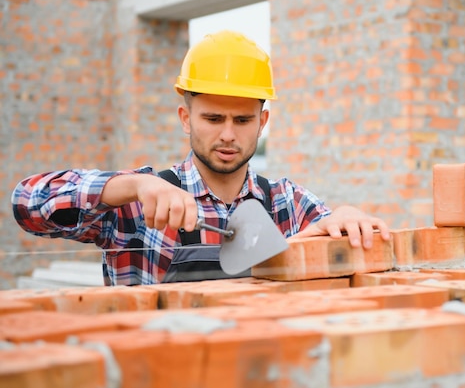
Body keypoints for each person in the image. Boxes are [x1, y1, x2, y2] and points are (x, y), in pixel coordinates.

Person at [12, 30, 390, 286]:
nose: (228, 134)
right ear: (185, 118)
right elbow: (26, 204)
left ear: (263, 122)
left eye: (242, 120)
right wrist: (129, 186)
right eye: (212, 118)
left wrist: (345, 224)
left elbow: (337, 248)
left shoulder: (287, 204)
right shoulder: (140, 203)